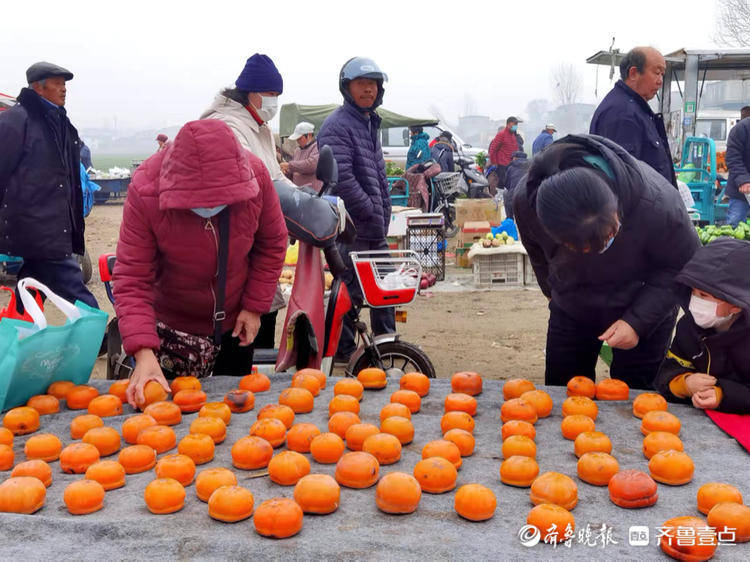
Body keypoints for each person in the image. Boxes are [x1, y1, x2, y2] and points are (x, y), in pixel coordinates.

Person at [113, 119, 287, 407]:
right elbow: (132, 277)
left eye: (219, 201)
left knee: (234, 420)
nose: (209, 210)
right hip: (173, 331)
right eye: (198, 202)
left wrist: (254, 307)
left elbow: (272, 243)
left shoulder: (255, 176)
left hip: (235, 326)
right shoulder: (146, 190)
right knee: (169, 423)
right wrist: (144, 352)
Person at [513, 135, 699, 389]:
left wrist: (637, 322)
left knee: (637, 396)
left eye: (609, 235)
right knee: (564, 390)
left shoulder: (658, 205)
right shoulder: (528, 204)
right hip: (573, 302)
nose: (597, 251)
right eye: (579, 247)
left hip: (642, 298)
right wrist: (554, 292)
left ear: (615, 209)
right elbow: (537, 254)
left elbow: (681, 267)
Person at [200, 53, 289, 349]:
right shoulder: (229, 127)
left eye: (278, 94)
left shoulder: (258, 126)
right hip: (233, 248)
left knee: (261, 321)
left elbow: (275, 179)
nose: (274, 101)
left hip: (256, 242)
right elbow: (251, 189)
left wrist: (307, 200)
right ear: (251, 93)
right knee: (240, 345)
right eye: (270, 94)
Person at [0, 61, 98, 310]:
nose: (64, 89)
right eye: (57, 83)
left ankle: (19, 332)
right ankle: (99, 335)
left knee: (32, 283)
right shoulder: (16, 121)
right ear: (38, 87)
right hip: (36, 224)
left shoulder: (61, 122)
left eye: (64, 84)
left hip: (56, 223)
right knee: (73, 286)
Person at [317, 56, 395, 361]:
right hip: (353, 229)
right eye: (361, 84)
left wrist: (383, 211)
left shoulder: (369, 122)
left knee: (385, 290)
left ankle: (387, 346)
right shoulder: (338, 125)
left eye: (373, 84)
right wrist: (371, 210)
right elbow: (343, 179)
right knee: (349, 294)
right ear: (347, 88)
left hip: (373, 228)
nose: (369, 90)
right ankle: (344, 353)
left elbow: (377, 174)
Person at [655, 238, 750, 413]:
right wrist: (683, 384)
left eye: (704, 295)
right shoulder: (688, 328)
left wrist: (723, 394)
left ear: (736, 305)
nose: (695, 300)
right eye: (693, 291)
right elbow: (669, 370)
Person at [589, 46, 676, 187]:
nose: (660, 81)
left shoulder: (635, 109)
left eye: (662, 74)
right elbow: (623, 180)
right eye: (657, 73)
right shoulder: (621, 113)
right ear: (634, 73)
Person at [724, 106, 750, 227]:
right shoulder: (742, 128)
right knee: (736, 226)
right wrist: (743, 180)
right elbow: (733, 157)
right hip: (742, 192)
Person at [282, 121, 321, 191]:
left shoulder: (317, 147)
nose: (297, 141)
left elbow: (311, 165)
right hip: (298, 191)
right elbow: (294, 169)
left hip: (312, 192)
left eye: (300, 138)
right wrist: (287, 171)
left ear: (309, 135)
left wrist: (289, 166)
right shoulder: (297, 150)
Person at [488, 116, 521, 187]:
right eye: (513, 125)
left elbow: (516, 149)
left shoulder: (513, 136)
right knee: (502, 183)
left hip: (511, 164)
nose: (515, 127)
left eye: (516, 125)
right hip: (502, 164)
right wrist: (494, 162)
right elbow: (493, 149)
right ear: (508, 124)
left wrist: (516, 157)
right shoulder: (501, 134)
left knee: (509, 183)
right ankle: (499, 196)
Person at [503, 151, 529, 219]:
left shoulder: (511, 168)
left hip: (514, 196)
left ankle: (509, 218)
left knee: (505, 193)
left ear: (515, 158)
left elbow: (507, 184)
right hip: (528, 195)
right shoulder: (531, 166)